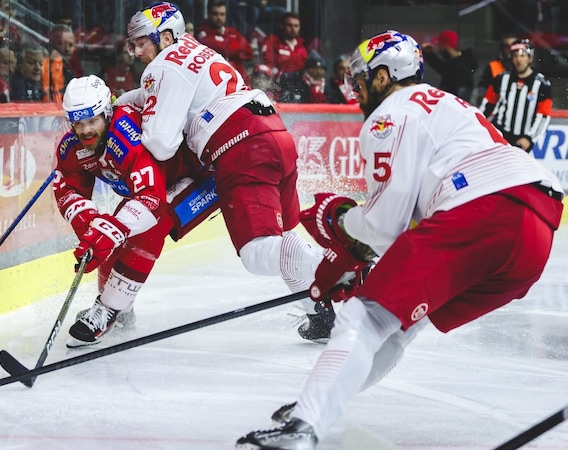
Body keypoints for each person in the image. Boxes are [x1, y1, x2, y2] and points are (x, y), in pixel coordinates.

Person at [235, 30, 564, 450]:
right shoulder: (448, 105)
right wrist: (358, 256)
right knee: (395, 327)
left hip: (484, 209)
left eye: (362, 77)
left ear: (385, 76)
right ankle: (316, 406)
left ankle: (302, 428)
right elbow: (404, 228)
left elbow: (384, 225)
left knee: (364, 318)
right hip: (534, 231)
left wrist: (337, 218)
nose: (356, 89)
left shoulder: (390, 113)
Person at [119, 2, 332, 343]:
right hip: (274, 135)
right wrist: (125, 101)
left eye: (142, 41)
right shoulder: (198, 51)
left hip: (241, 147)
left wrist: (130, 127)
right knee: (284, 239)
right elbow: (168, 92)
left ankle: (338, 265)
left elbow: (160, 143)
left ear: (166, 36)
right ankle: (319, 314)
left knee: (256, 251)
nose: (136, 50)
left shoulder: (162, 66)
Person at [54, 75, 214, 347]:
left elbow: (152, 201)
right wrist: (90, 225)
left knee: (148, 230)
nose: (85, 131)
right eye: (78, 123)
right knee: (109, 238)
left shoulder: (127, 136)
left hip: (201, 177)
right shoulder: (73, 146)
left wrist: (107, 232)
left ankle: (109, 309)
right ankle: (120, 311)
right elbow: (68, 188)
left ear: (107, 112)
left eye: (92, 121)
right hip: (159, 185)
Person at [478, 39, 552, 153]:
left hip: (523, 140)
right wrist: (479, 128)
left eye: (523, 56)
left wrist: (529, 138)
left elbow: (543, 115)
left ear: (530, 58)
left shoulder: (542, 84)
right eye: (515, 55)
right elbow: (487, 105)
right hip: (501, 135)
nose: (519, 60)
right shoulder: (501, 78)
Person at [195, 0, 254, 84]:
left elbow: (249, 52)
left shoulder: (232, 31)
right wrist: (235, 48)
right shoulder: (203, 32)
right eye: (215, 14)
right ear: (208, 14)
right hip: (217, 82)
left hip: (241, 81)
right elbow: (217, 48)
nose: (219, 17)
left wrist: (228, 50)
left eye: (222, 14)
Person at [420, 29, 477, 101]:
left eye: (439, 45)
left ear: (445, 45)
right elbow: (443, 67)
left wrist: (427, 53)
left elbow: (443, 68)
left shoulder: (456, 68)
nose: (438, 49)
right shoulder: (465, 62)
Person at [259, 11, 307, 79]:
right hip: (277, 84)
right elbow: (267, 65)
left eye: (296, 26)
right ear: (282, 26)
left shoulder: (302, 46)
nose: (293, 29)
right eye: (289, 25)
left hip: (298, 85)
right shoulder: (272, 42)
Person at [475, 33, 516, 103]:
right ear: (501, 48)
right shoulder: (493, 66)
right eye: (506, 46)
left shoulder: (523, 69)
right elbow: (482, 93)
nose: (510, 49)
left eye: (513, 46)